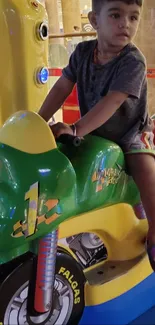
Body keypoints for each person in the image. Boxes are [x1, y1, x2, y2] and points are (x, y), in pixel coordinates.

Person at [38, 0, 155, 271]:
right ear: (94, 20)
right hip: (94, 131)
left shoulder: (133, 60)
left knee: (143, 164)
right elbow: (62, 87)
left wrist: (76, 128)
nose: (125, 24)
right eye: (116, 15)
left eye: (133, 17)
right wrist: (39, 119)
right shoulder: (82, 53)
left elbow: (113, 101)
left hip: (131, 131)